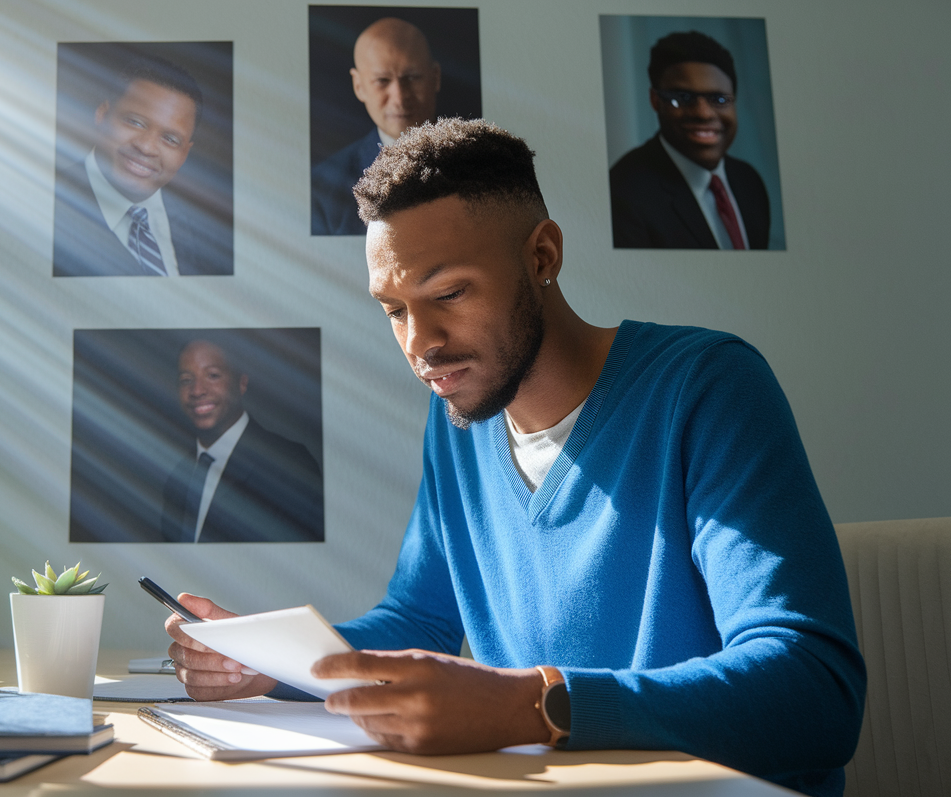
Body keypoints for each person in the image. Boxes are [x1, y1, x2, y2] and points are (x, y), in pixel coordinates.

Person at [166, 119, 865, 797]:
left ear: (542, 257)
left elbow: (814, 692)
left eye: (448, 294)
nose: (421, 344)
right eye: (395, 309)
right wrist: (265, 663)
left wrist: (531, 707)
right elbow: (418, 621)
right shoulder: (458, 422)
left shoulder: (706, 387)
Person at [53, 56, 230, 276]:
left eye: (171, 139)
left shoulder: (211, 237)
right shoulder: (46, 206)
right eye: (135, 122)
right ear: (102, 115)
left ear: (185, 153)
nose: (146, 148)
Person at [609, 31, 771, 249]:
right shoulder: (624, 194)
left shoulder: (749, 182)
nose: (703, 113)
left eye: (719, 99)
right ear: (655, 101)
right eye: (682, 98)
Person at [160, 338, 324, 543]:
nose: (197, 390)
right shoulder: (178, 477)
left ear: (242, 383)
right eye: (186, 380)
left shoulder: (289, 464)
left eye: (212, 375)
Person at [311, 17, 441, 236]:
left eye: (412, 77)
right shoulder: (323, 187)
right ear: (358, 85)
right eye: (382, 80)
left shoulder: (484, 170)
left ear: (435, 77)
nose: (399, 98)